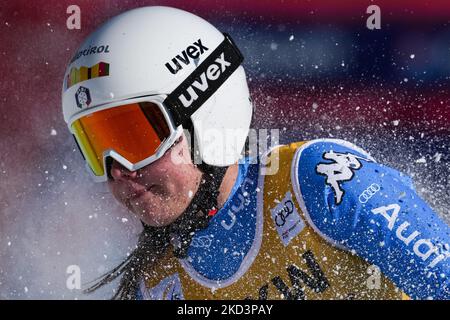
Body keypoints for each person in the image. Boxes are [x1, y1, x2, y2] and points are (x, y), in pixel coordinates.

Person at [62, 6, 450, 300]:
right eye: (98, 149)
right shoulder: (157, 286)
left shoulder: (321, 184)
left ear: (204, 115)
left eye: (133, 138)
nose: (119, 171)